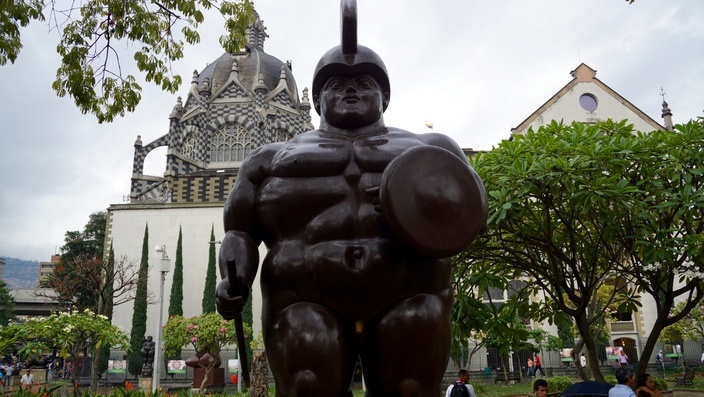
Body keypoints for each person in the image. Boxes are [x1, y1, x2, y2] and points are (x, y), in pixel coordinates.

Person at [215, 1, 487, 395]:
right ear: (318, 99)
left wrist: (414, 202)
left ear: (385, 97)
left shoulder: (433, 151)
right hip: (303, 301)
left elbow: (474, 216)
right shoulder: (270, 160)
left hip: (409, 296)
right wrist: (233, 277)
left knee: (409, 389)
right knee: (308, 386)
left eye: (364, 83)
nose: (351, 90)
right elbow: (238, 231)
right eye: (337, 85)